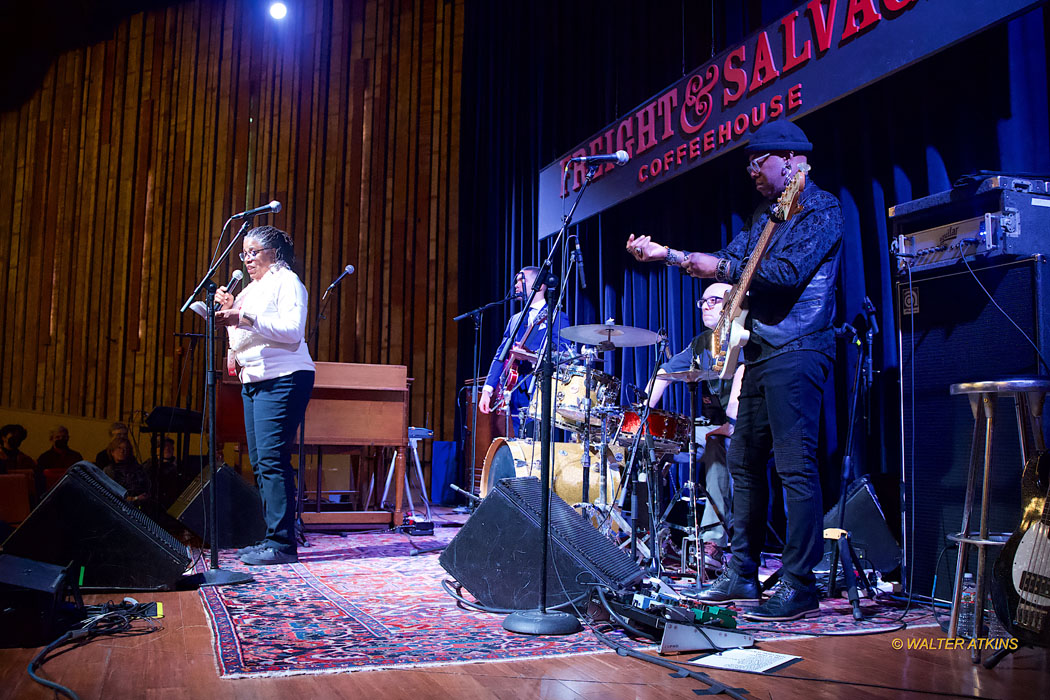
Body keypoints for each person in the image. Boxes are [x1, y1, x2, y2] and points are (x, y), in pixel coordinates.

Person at [627, 119, 842, 621]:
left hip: (801, 346)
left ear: (789, 160)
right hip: (765, 351)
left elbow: (785, 277)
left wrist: (719, 270)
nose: (751, 171)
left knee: (795, 468)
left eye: (757, 161)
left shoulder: (820, 208)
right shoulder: (768, 216)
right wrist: (669, 256)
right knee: (743, 461)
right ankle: (742, 574)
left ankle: (799, 583)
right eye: (748, 163)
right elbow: (727, 258)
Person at [214, 225, 315, 566]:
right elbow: (243, 333)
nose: (247, 259)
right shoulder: (251, 290)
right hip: (254, 379)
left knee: (272, 460)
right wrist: (233, 313)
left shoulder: (287, 282)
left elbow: (292, 332)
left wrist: (243, 316)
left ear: (274, 254)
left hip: (284, 376)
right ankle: (271, 536)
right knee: (259, 462)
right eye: (244, 253)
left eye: (254, 252)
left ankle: (283, 544)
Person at [646, 282, 744, 574]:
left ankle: (714, 542)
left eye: (713, 300)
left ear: (732, 303)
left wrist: (731, 425)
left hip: (744, 426)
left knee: (716, 444)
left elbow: (741, 389)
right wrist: (643, 415)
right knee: (652, 441)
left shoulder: (747, 338)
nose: (705, 306)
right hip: (707, 426)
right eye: (703, 301)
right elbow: (665, 373)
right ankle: (654, 533)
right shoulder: (702, 342)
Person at [478, 266, 571, 434]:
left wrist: (532, 357)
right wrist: (487, 390)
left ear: (540, 285)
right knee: (519, 445)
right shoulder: (514, 320)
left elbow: (563, 355)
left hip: (542, 390)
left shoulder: (556, 316)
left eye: (522, 280)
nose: (516, 285)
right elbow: (500, 355)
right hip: (515, 391)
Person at [35, 425, 84, 493]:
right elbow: (39, 481)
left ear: (68, 438)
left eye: (64, 437)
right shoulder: (44, 458)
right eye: (57, 437)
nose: (61, 439)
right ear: (51, 439)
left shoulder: (76, 457)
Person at [103, 436, 151, 503]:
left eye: (126, 448)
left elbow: (146, 487)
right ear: (112, 452)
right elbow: (110, 494)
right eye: (119, 448)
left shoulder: (137, 469)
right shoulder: (109, 471)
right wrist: (134, 499)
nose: (122, 451)